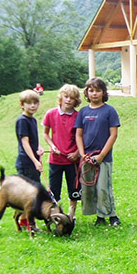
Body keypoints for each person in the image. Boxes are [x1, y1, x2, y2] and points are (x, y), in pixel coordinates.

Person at [75, 77, 121, 226]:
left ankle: (111, 215)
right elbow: (79, 135)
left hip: (103, 157)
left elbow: (113, 135)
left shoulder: (109, 111)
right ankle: (99, 217)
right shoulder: (83, 112)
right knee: (89, 188)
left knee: (103, 187)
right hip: (87, 158)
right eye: (91, 90)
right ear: (87, 93)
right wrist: (82, 154)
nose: (94, 94)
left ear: (103, 92)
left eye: (98, 90)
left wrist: (101, 156)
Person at [42, 84, 82, 220]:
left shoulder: (79, 116)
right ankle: (54, 214)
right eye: (66, 97)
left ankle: (72, 215)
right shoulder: (50, 114)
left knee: (74, 189)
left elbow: (82, 137)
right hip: (56, 160)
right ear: (61, 97)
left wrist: (77, 152)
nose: (68, 100)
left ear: (76, 100)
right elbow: (46, 134)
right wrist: (52, 145)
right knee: (54, 190)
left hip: (72, 160)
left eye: (72, 98)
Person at [15, 89, 45, 232]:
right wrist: (35, 161)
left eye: (35, 103)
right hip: (26, 163)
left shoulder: (32, 120)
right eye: (29, 103)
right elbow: (25, 143)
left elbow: (33, 141)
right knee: (31, 195)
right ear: (22, 105)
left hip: (33, 162)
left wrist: (39, 148)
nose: (33, 106)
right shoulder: (22, 121)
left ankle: (23, 219)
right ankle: (30, 224)